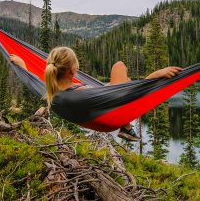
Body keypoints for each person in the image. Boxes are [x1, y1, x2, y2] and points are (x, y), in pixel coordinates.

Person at [10, 47, 182, 141]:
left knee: (124, 78)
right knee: (119, 66)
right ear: (73, 69)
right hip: (109, 117)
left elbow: (32, 81)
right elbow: (129, 96)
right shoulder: (80, 95)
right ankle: (127, 127)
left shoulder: (50, 91)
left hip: (96, 107)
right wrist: (155, 76)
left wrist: (22, 66)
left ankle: (127, 125)